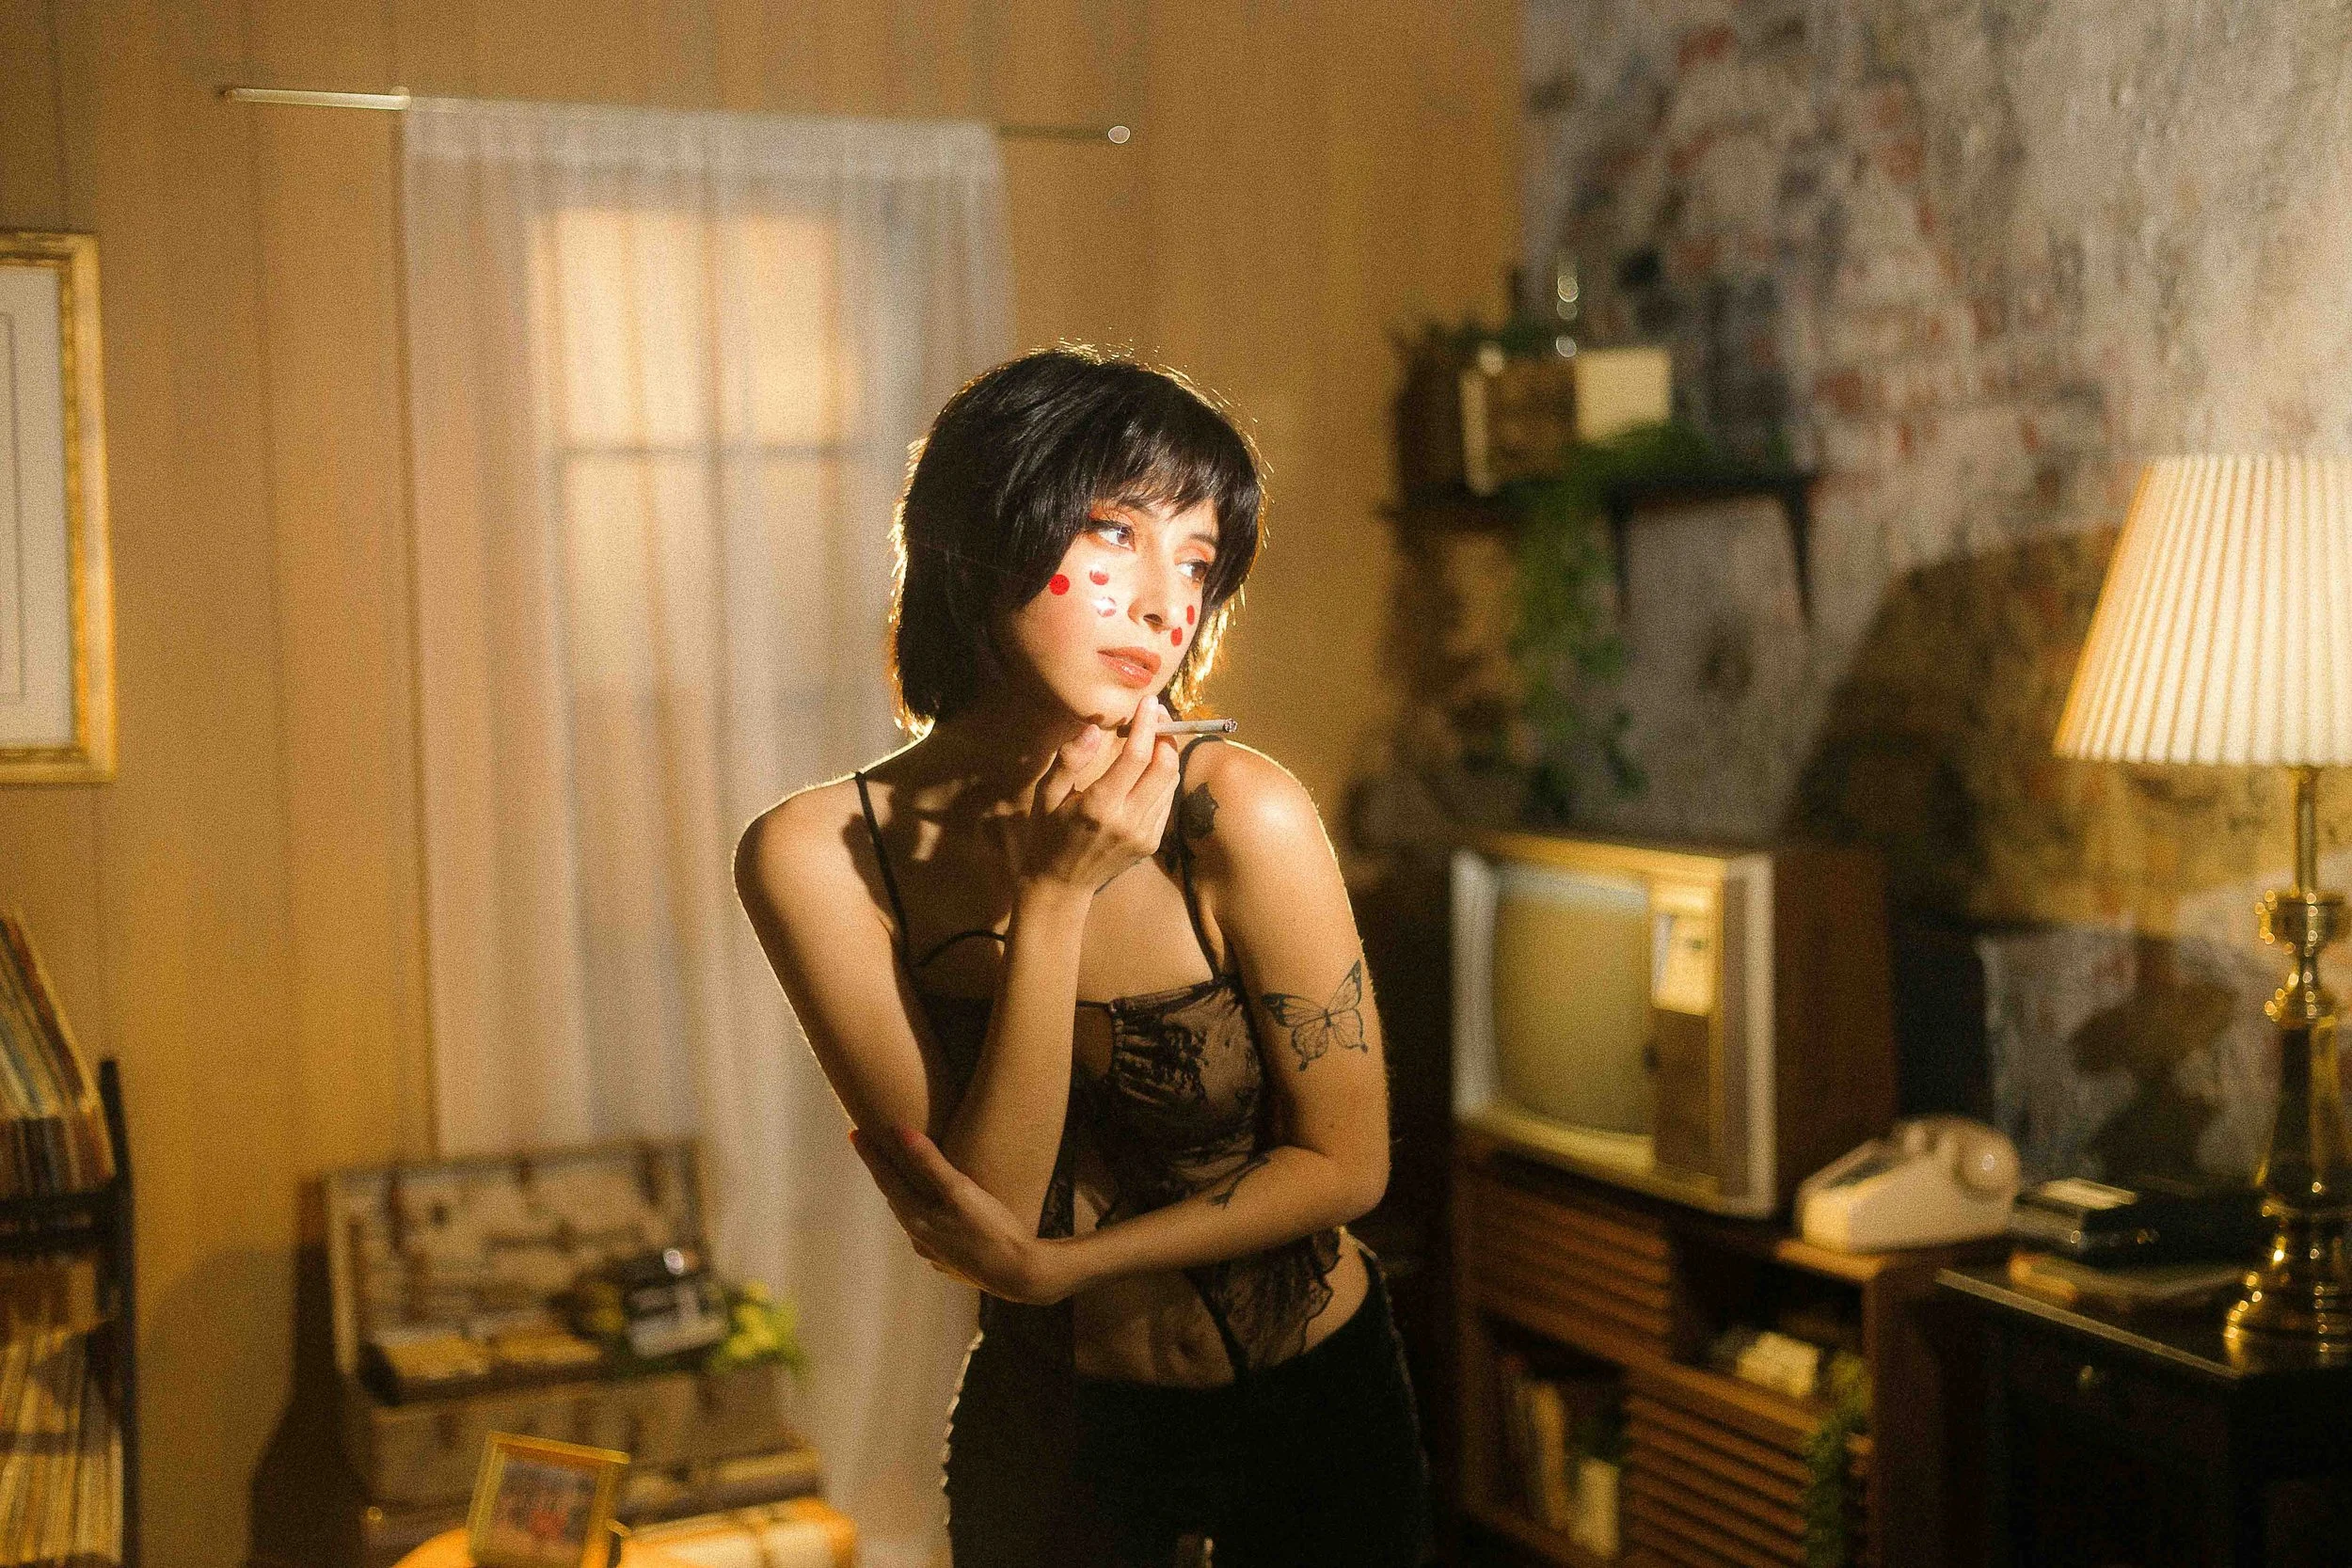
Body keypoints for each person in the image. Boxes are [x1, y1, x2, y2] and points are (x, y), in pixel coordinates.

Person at [734, 345, 1431, 1567]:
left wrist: (1065, 1263)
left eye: (1198, 561)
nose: (1166, 600)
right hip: (1054, 1434)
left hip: (1315, 1415)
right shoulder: (818, 850)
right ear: (981, 532)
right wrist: (1051, 897)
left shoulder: (1244, 812)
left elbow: (1347, 1159)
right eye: (1115, 534)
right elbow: (980, 1208)